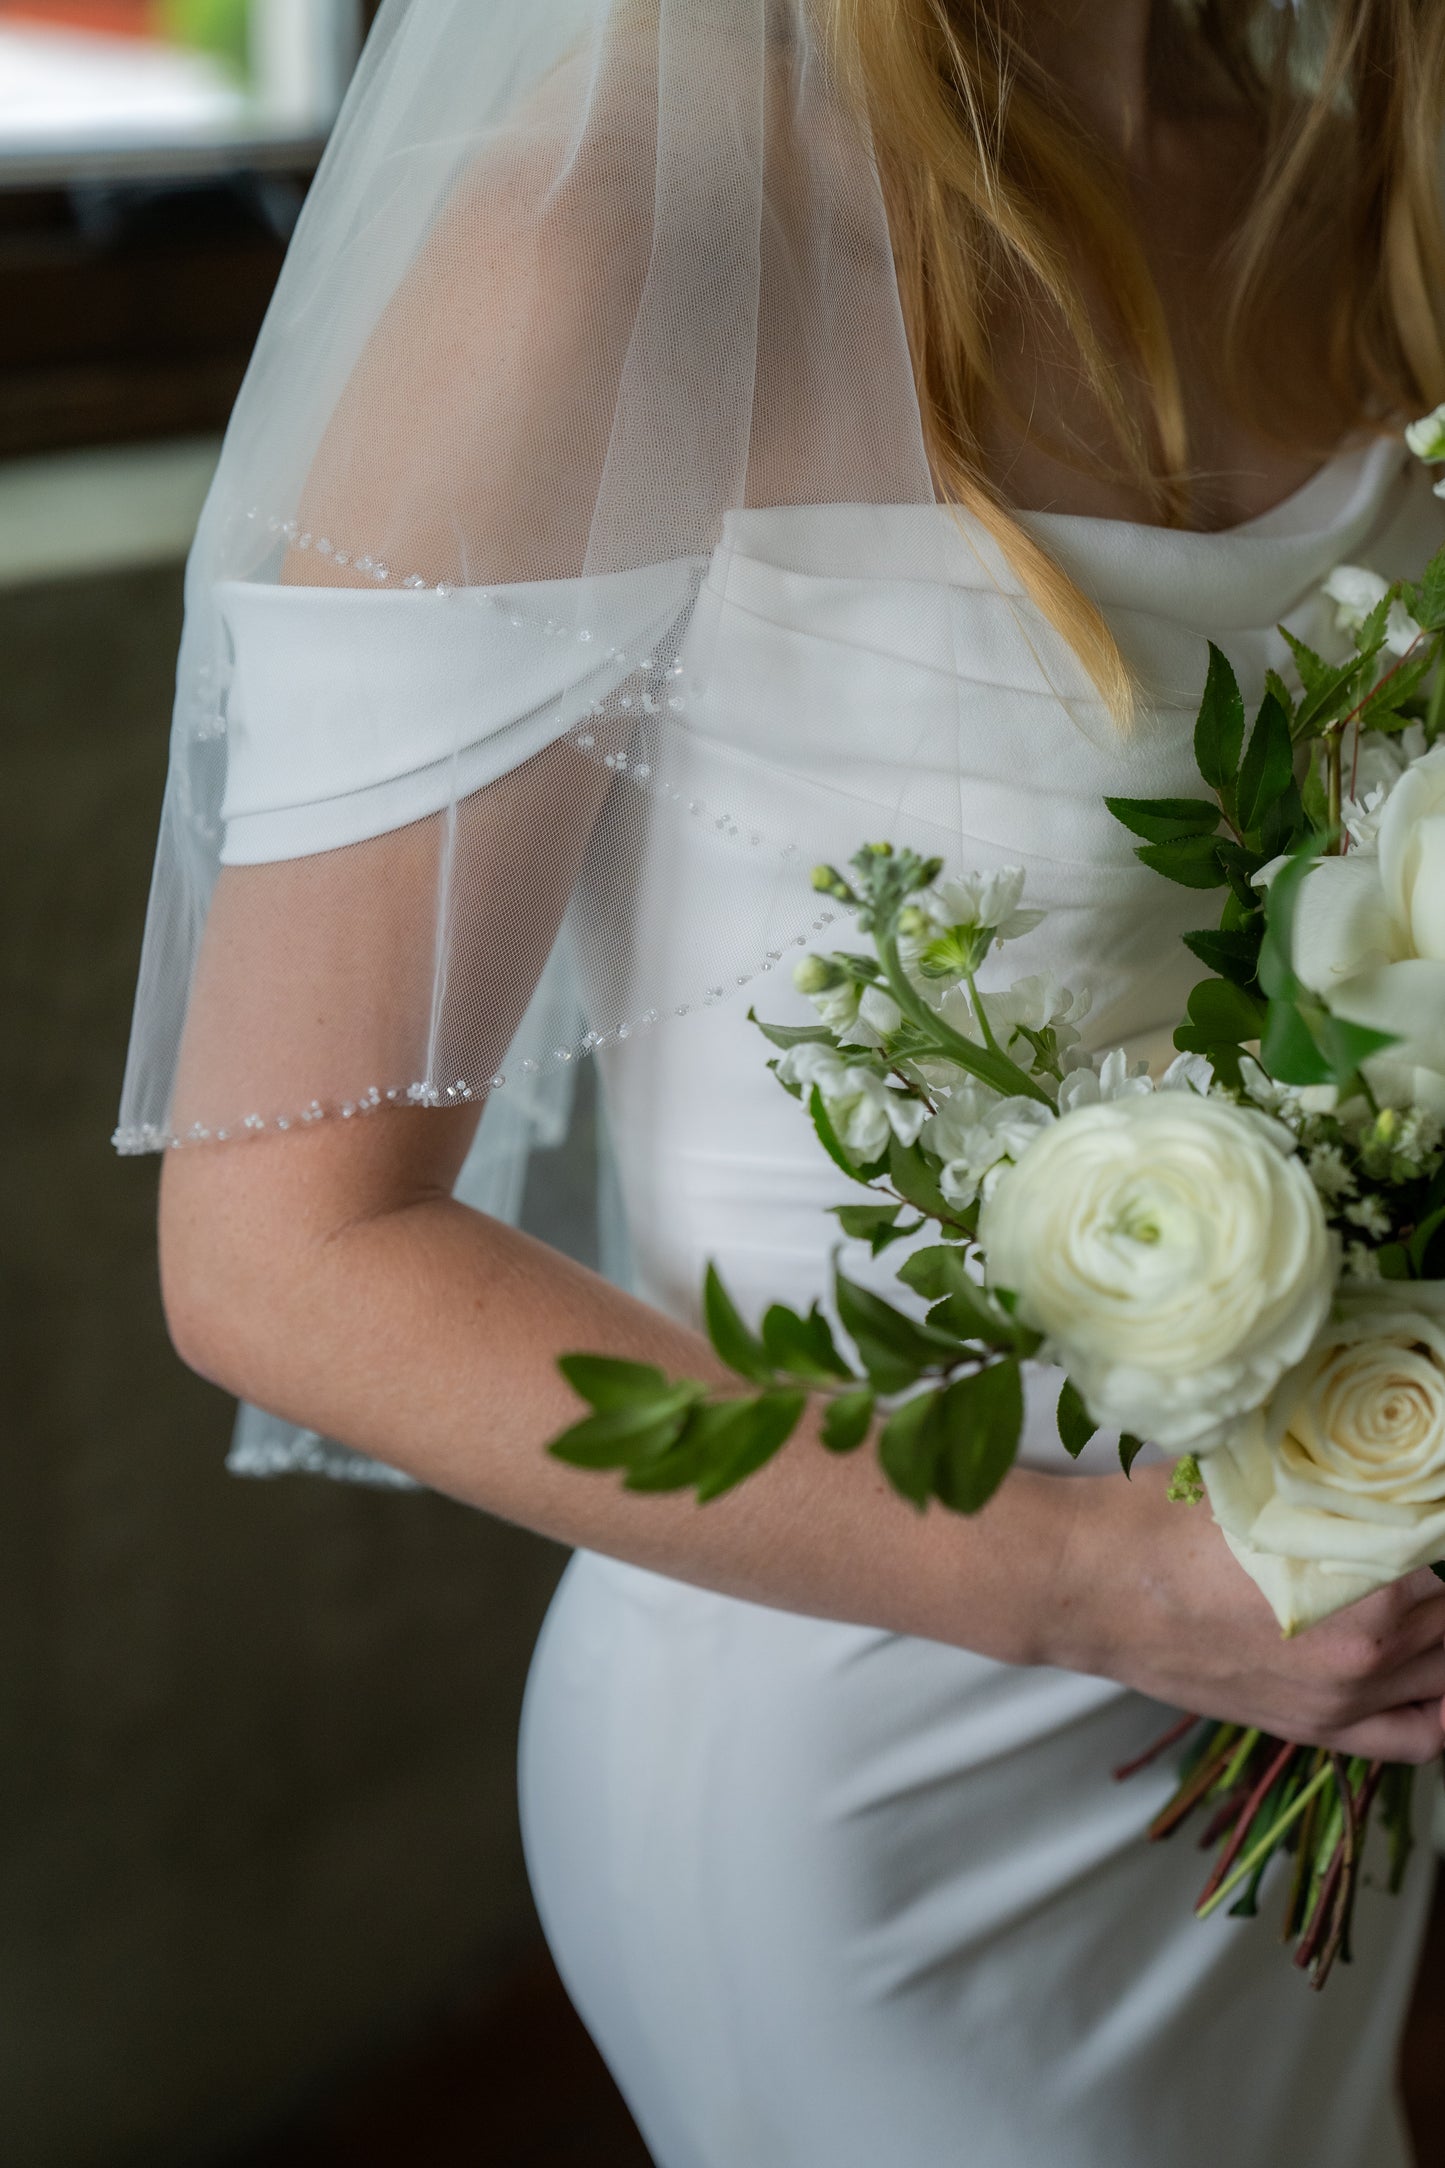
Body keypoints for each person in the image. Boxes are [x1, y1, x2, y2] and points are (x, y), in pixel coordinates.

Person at [124, 2, 1445, 2161]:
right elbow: (279, 1254)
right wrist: (1109, 1583)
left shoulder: (1341, 187)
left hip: (1295, 1724)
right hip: (874, 1785)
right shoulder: (614, 231)